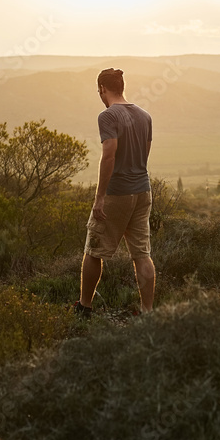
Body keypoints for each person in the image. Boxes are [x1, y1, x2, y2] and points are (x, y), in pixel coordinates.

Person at [75, 68, 155, 317]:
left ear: (102, 89)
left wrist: (100, 198)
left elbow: (108, 155)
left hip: (117, 194)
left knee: (93, 251)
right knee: (142, 254)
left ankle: (84, 307)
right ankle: (147, 313)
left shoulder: (108, 116)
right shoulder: (145, 116)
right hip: (143, 191)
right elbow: (145, 153)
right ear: (122, 86)